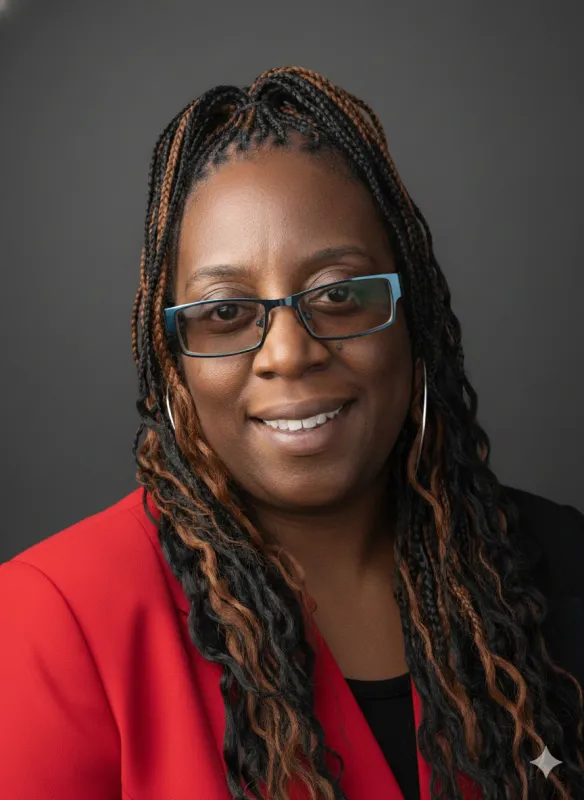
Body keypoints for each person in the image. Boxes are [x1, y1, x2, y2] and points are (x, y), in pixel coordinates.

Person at [0, 65, 583, 800]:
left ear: (415, 320)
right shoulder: (55, 623)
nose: (288, 353)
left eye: (339, 295)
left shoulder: (558, 568)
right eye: (224, 313)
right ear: (172, 360)